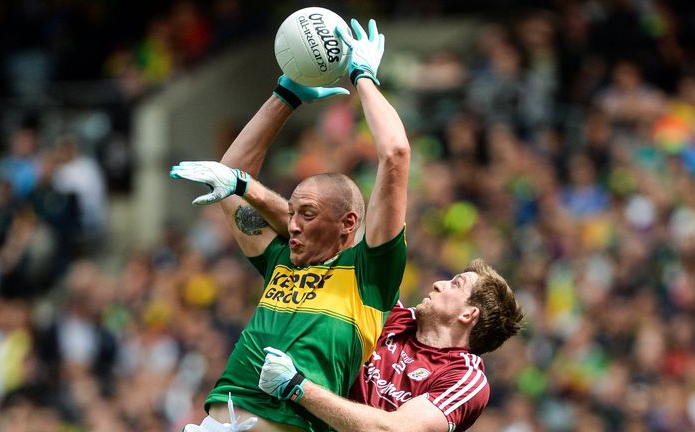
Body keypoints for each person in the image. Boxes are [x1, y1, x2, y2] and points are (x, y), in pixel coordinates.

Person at [172, 18, 410, 432]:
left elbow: (395, 155)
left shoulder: (370, 274)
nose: (292, 225)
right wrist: (285, 96)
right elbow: (228, 179)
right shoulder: (280, 259)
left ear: (348, 223)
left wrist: (364, 77)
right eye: (292, 211)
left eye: (308, 214)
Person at [258, 258, 525, 432]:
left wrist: (298, 388)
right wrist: (245, 192)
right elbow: (332, 251)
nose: (438, 284)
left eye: (455, 284)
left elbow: (395, 430)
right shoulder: (394, 317)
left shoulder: (464, 378)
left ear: (468, 315)